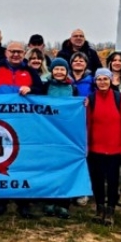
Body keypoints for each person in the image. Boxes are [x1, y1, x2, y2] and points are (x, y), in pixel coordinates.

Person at [0, 41, 42, 218]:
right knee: (0, 159)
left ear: (24, 53)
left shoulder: (30, 71)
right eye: (12, 51)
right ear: (6, 53)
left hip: (23, 123)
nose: (16, 54)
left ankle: (23, 202)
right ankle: (0, 201)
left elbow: (41, 89)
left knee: (21, 160)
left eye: (19, 52)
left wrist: (31, 88)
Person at [87, 68, 121, 226]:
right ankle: (100, 209)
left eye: (105, 79)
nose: (102, 82)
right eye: (99, 79)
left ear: (111, 80)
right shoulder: (91, 99)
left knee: (113, 181)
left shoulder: (120, 98)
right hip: (95, 148)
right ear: (95, 81)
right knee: (97, 180)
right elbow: (87, 124)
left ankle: (110, 210)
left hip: (115, 149)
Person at [39, 58, 78, 219]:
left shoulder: (73, 88)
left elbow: (77, 107)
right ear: (51, 71)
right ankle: (49, 200)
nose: (59, 72)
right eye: (56, 69)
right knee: (49, 167)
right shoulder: (45, 86)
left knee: (65, 168)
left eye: (63, 69)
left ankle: (63, 203)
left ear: (67, 71)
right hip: (48, 133)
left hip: (66, 134)